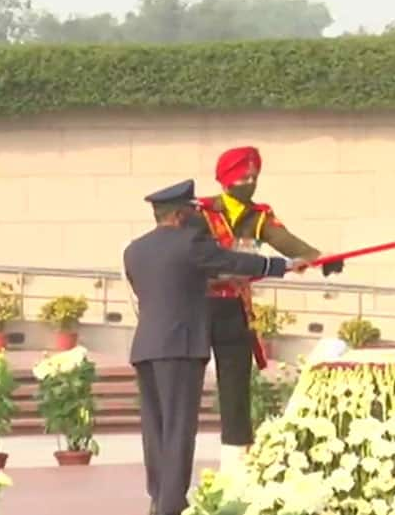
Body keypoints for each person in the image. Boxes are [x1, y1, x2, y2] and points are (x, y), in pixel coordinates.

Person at [122, 179, 307, 515]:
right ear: (179, 215)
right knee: (180, 427)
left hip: (146, 346)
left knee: (156, 428)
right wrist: (282, 265)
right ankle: (171, 507)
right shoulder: (189, 242)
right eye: (192, 211)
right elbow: (232, 261)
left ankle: (158, 497)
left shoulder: (134, 249)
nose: (196, 216)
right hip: (181, 346)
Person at [192, 145, 344, 472]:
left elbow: (286, 242)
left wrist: (319, 258)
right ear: (226, 180)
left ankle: (236, 463)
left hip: (234, 307)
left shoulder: (258, 215)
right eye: (243, 176)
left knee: (235, 386)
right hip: (196, 307)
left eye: (253, 176)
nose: (249, 181)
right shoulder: (201, 212)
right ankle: (177, 460)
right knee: (187, 385)